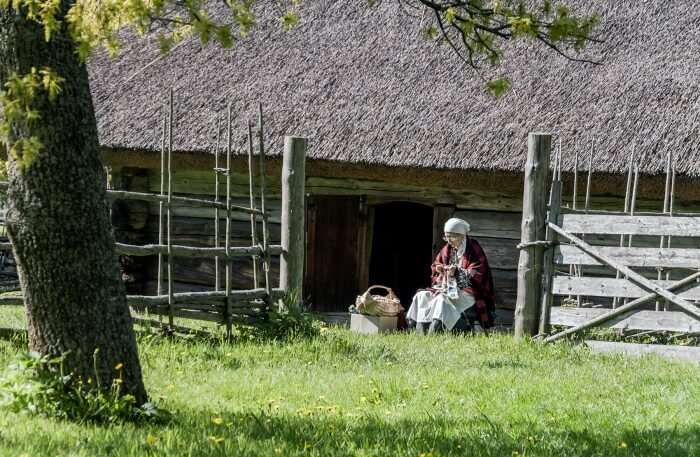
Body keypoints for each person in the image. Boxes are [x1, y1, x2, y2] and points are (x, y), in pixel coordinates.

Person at [406, 217, 496, 334]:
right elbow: (436, 264)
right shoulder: (448, 248)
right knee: (422, 296)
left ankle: (436, 331)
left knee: (441, 300)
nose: (448, 241)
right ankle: (417, 332)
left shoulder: (473, 248)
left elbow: (478, 273)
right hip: (448, 288)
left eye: (452, 237)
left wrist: (457, 272)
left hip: (469, 292)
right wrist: (439, 268)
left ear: (462, 235)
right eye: (446, 237)